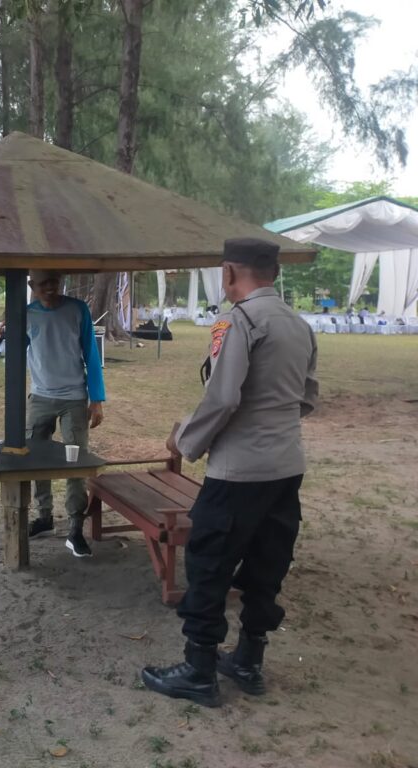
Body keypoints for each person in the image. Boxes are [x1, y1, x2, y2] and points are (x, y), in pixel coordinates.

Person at [141, 238, 319, 708]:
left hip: (239, 472)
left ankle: (199, 671)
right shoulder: (299, 325)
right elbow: (307, 397)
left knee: (209, 563)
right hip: (286, 466)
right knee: (267, 563)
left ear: (228, 273)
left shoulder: (238, 321)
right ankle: (248, 659)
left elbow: (222, 398)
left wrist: (183, 440)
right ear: (274, 273)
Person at [24, 269, 105, 557]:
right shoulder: (26, 314)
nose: (50, 288)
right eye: (43, 283)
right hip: (40, 397)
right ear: (32, 285)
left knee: (76, 459)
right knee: (35, 458)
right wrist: (1, 334)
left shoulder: (77, 310)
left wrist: (97, 399)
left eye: (54, 282)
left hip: (73, 397)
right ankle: (44, 516)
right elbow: (14, 349)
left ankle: (75, 528)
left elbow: (91, 354)